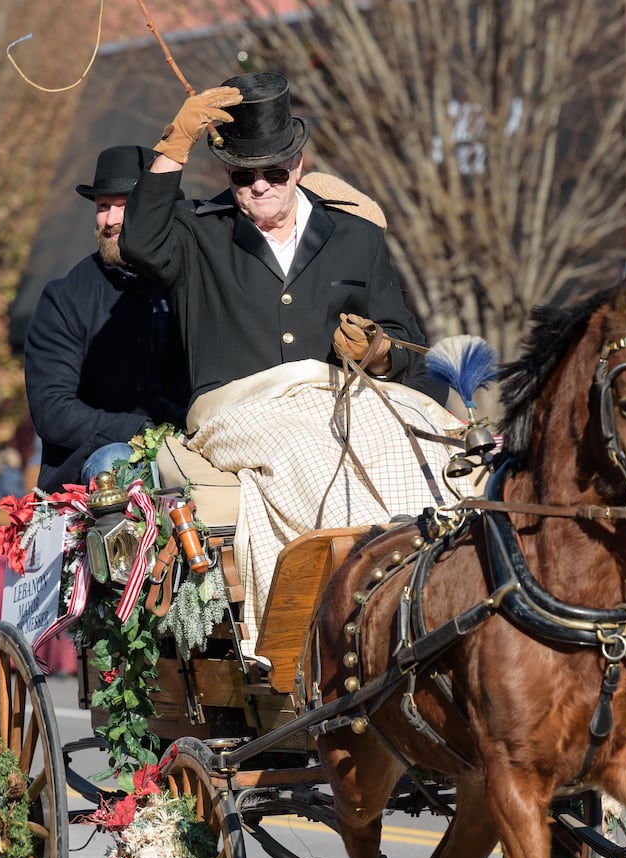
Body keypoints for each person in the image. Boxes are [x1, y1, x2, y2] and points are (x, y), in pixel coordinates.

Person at [119, 72, 462, 650]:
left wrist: (378, 351)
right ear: (228, 175)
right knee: (306, 450)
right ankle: (325, 619)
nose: (259, 187)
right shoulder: (199, 234)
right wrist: (175, 144)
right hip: (238, 410)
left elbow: (406, 343)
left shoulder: (357, 237)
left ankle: (427, 598)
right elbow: (140, 241)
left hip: (340, 396)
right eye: (244, 175)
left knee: (424, 445)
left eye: (273, 172)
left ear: (298, 164)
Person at [23, 144, 188, 493]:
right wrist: (139, 430)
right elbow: (53, 410)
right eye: (103, 207)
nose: (111, 220)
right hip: (93, 466)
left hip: (191, 445)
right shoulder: (65, 297)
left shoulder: (190, 279)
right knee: (115, 462)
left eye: (124, 205)